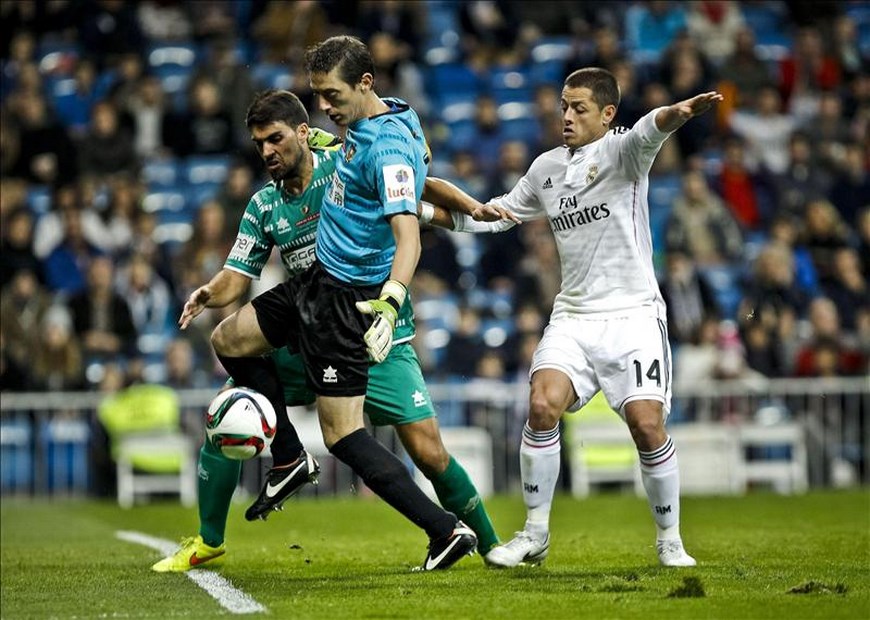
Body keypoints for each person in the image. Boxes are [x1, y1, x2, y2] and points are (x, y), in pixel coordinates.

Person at [156, 35, 483, 572]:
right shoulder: (264, 204)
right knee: (228, 361)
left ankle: (463, 534)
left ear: (304, 133)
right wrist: (208, 294)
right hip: (310, 309)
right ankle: (239, 506)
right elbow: (237, 280)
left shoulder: (344, 155)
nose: (267, 152)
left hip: (352, 313)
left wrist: (465, 214)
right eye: (259, 144)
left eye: (276, 139)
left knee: (381, 441)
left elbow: (411, 200)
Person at [427, 68, 721, 568]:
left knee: (646, 425)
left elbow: (654, 126)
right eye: (564, 105)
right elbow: (492, 217)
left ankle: (669, 538)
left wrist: (680, 113)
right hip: (574, 315)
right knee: (542, 404)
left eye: (579, 108)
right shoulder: (545, 169)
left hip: (633, 315)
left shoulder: (623, 152)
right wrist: (417, 209)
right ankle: (535, 534)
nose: (566, 115)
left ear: (607, 115)